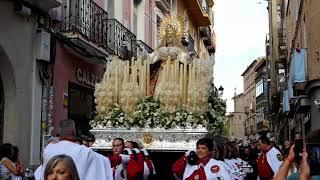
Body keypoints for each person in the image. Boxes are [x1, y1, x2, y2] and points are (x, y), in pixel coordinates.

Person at [35, 119, 113, 180]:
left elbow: (40, 172)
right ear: (74, 132)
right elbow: (103, 162)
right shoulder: (82, 151)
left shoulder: (49, 149)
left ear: (60, 133)